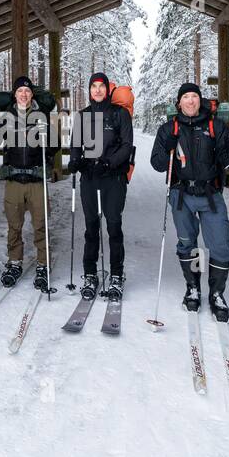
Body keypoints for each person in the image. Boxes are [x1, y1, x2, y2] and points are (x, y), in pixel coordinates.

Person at [150, 82, 229, 322]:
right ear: (178, 102)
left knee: (220, 246)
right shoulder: (169, 128)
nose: (190, 101)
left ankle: (217, 294)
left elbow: (226, 156)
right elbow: (157, 164)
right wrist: (167, 146)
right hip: (182, 195)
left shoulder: (215, 126)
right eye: (186, 97)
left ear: (200, 100)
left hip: (211, 195)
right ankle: (193, 288)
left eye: (194, 96)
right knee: (187, 244)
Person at [0, 75, 57, 292]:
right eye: (20, 91)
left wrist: (47, 138)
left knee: (40, 224)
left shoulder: (41, 117)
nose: (24, 94)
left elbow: (56, 146)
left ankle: (43, 263)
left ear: (32, 95)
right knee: (14, 225)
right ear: (15, 94)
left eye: (27, 91)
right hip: (13, 181)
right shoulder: (7, 118)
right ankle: (15, 261)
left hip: (36, 181)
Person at [67, 72, 133, 301]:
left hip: (113, 178)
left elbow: (127, 146)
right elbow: (75, 144)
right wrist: (74, 161)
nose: (97, 90)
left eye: (101, 86)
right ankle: (90, 273)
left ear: (107, 89)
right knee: (91, 227)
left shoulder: (119, 114)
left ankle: (116, 274)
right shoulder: (82, 116)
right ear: (89, 90)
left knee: (114, 226)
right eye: (93, 86)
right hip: (90, 177)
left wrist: (109, 162)